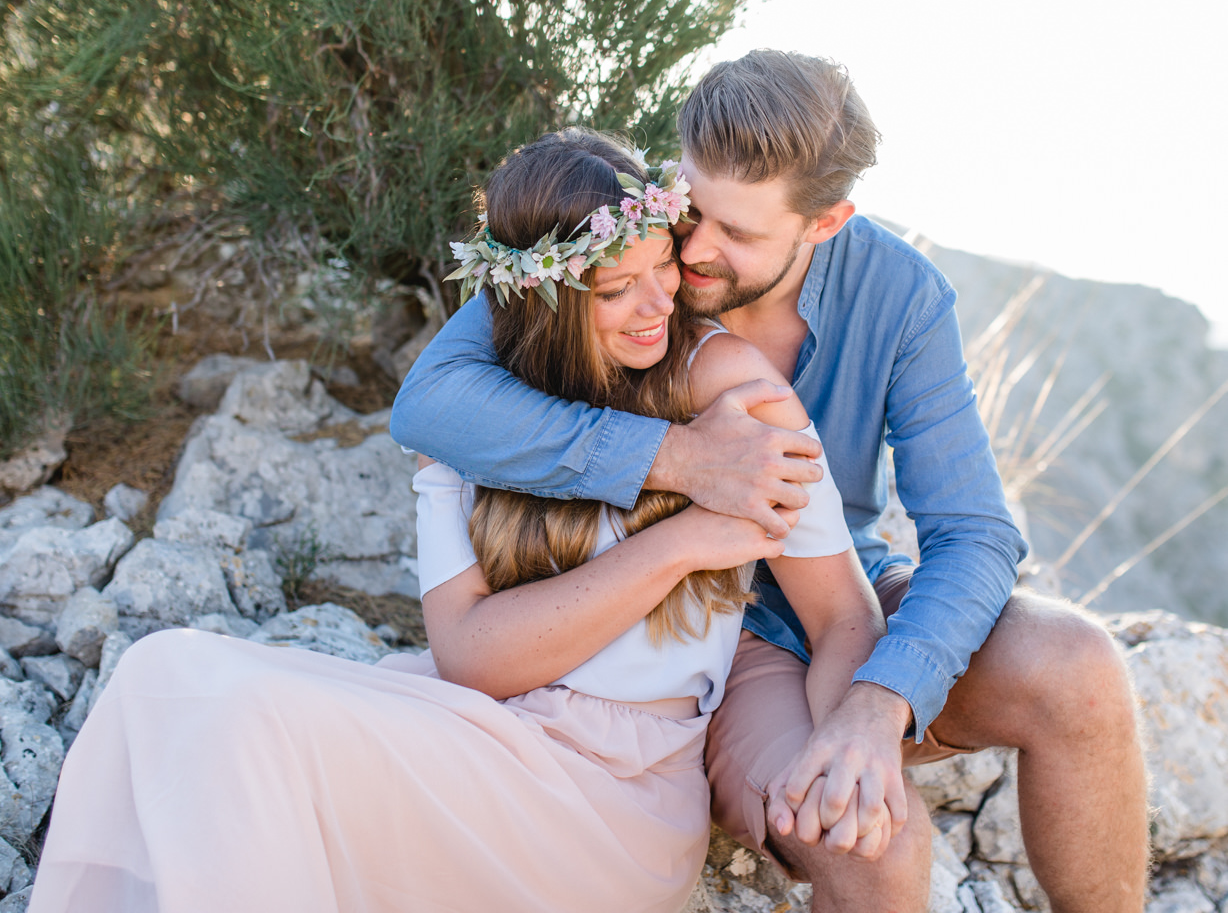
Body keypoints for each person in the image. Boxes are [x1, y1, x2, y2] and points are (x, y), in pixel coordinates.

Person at [29, 128, 887, 912]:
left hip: (610, 794)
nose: (659, 303)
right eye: (616, 288)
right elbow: (471, 656)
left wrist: (840, 741)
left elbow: (843, 613)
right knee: (158, 675)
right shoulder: (477, 419)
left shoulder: (740, 404)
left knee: (248, 728)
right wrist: (685, 540)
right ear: (541, 302)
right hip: (478, 724)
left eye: (663, 266)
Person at [390, 51, 1150, 913]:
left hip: (828, 606)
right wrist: (673, 461)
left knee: (1080, 669)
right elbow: (432, 402)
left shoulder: (900, 297)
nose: (697, 251)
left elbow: (973, 533)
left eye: (741, 235)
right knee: (869, 847)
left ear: (826, 223)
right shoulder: (624, 233)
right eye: (693, 210)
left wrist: (881, 697)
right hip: (663, 621)